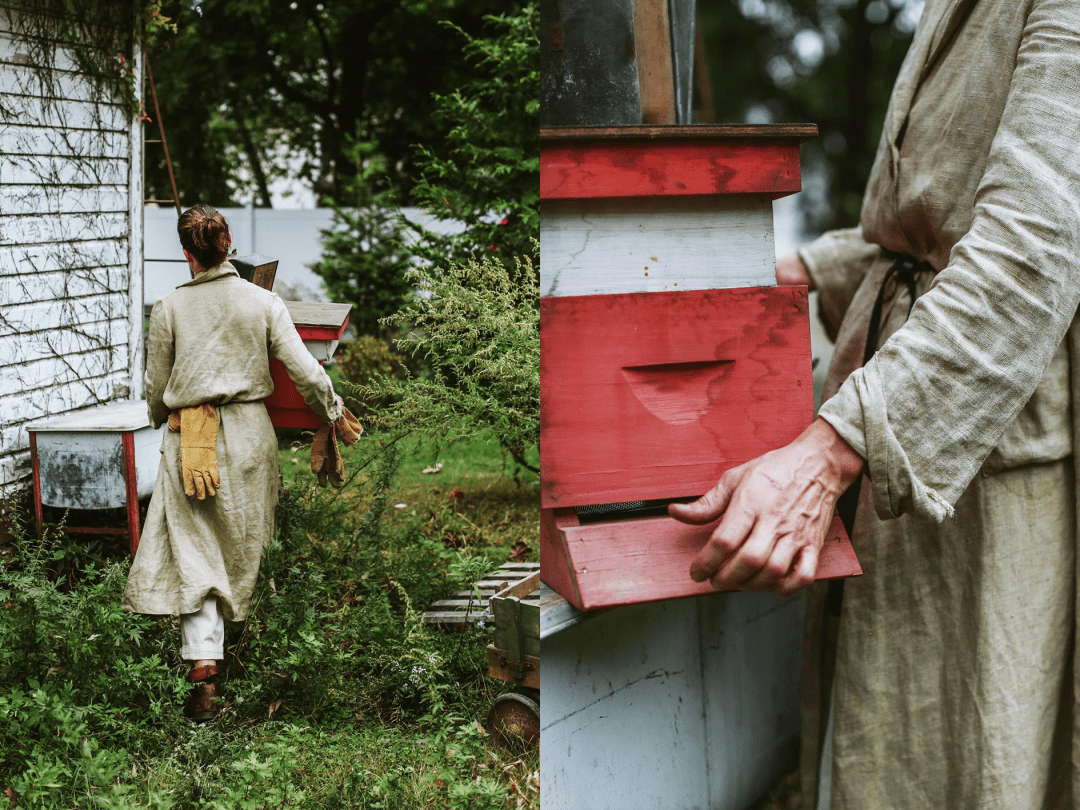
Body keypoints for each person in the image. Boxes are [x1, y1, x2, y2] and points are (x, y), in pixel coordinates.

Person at [669, 1, 1080, 807]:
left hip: (989, 450)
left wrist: (825, 455)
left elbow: (1031, 251)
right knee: (879, 739)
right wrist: (788, 278)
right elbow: (921, 229)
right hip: (901, 406)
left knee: (967, 751)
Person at [121, 204, 351, 720]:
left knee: (197, 551)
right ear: (230, 247)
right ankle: (254, 648)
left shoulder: (168, 307)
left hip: (191, 440)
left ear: (188, 255)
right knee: (247, 542)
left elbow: (157, 389)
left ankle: (205, 668)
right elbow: (309, 373)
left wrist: (164, 413)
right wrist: (331, 412)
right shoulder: (263, 301)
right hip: (250, 436)